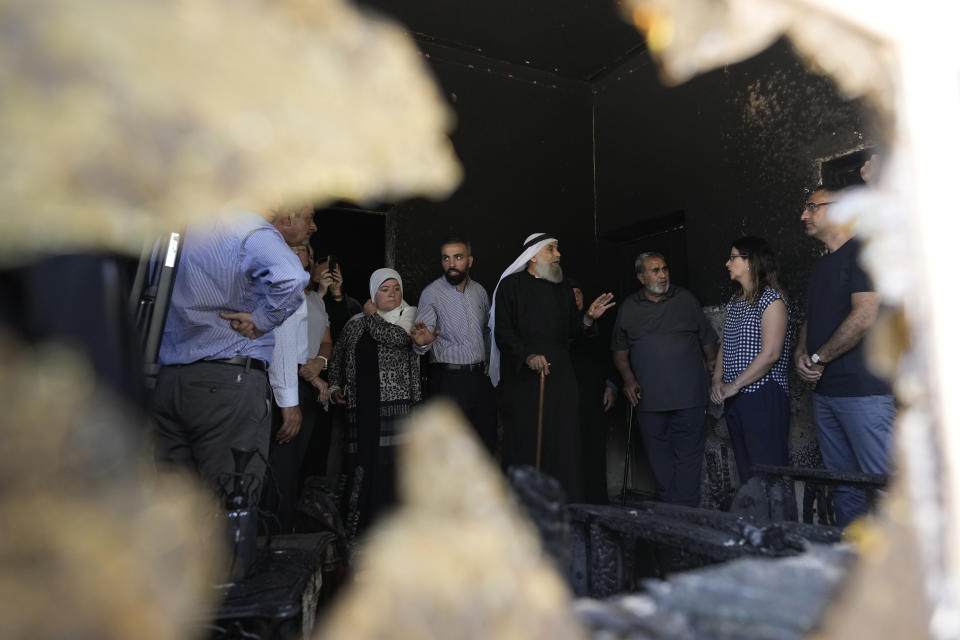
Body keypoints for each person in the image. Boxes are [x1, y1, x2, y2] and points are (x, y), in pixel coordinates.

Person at [151, 209, 309, 500]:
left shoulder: (172, 228)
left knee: (174, 508)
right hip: (227, 381)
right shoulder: (246, 227)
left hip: (169, 379)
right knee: (231, 506)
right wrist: (262, 320)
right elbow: (291, 277)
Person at [794, 179, 894, 527]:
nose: (804, 214)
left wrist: (819, 359)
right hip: (826, 393)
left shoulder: (865, 251)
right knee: (845, 487)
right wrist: (801, 354)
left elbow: (865, 315)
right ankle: (850, 562)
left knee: (883, 486)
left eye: (812, 207)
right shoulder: (822, 266)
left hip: (863, 391)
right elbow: (810, 319)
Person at [490, 233, 615, 501]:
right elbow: (504, 332)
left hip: (561, 377)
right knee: (527, 439)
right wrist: (527, 356)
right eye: (551, 249)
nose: (558, 254)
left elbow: (573, 332)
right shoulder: (511, 286)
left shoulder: (562, 289)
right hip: (525, 380)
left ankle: (564, 505)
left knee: (563, 439)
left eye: (558, 248)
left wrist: (589, 318)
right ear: (533, 256)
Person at [327, 268, 430, 536]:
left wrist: (373, 315)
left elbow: (396, 339)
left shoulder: (407, 317)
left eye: (396, 289)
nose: (393, 295)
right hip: (361, 406)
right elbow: (337, 358)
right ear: (373, 293)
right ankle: (362, 527)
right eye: (385, 290)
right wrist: (336, 386)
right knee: (364, 462)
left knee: (392, 464)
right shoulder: (354, 323)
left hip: (396, 405)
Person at [611, 252, 718, 507]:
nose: (662, 275)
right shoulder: (629, 308)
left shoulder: (685, 300)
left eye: (665, 269)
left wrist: (714, 371)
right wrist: (627, 380)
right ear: (640, 277)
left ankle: (687, 522)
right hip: (649, 402)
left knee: (688, 466)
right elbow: (619, 351)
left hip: (689, 400)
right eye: (655, 270)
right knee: (661, 467)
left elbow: (707, 339)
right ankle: (670, 522)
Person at [710, 237, 791, 484]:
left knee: (768, 473)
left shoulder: (771, 300)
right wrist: (716, 379)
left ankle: (776, 523)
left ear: (749, 262)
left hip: (763, 395)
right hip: (736, 398)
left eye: (733, 257)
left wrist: (733, 385)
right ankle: (755, 523)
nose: (727, 263)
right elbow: (726, 343)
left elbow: (770, 355)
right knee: (748, 475)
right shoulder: (736, 301)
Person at [259, 204, 319, 533]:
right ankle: (276, 544)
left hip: (274, 383)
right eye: (308, 219)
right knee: (278, 473)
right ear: (286, 220)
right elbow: (280, 336)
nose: (314, 227)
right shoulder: (279, 266)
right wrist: (289, 402)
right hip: (276, 388)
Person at [412, 237, 496, 454]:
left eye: (458, 257)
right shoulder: (432, 293)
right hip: (449, 381)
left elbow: (487, 330)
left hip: (480, 379)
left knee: (484, 444)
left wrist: (489, 359)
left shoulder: (480, 291)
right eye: (446, 258)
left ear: (470, 261)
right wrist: (421, 344)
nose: (451, 263)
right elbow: (421, 339)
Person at [568, 278, 619, 503]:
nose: (575, 298)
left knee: (594, 450)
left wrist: (611, 385)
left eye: (578, 292)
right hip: (566, 398)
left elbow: (610, 354)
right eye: (570, 293)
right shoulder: (558, 324)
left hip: (594, 395)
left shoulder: (601, 320)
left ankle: (597, 504)